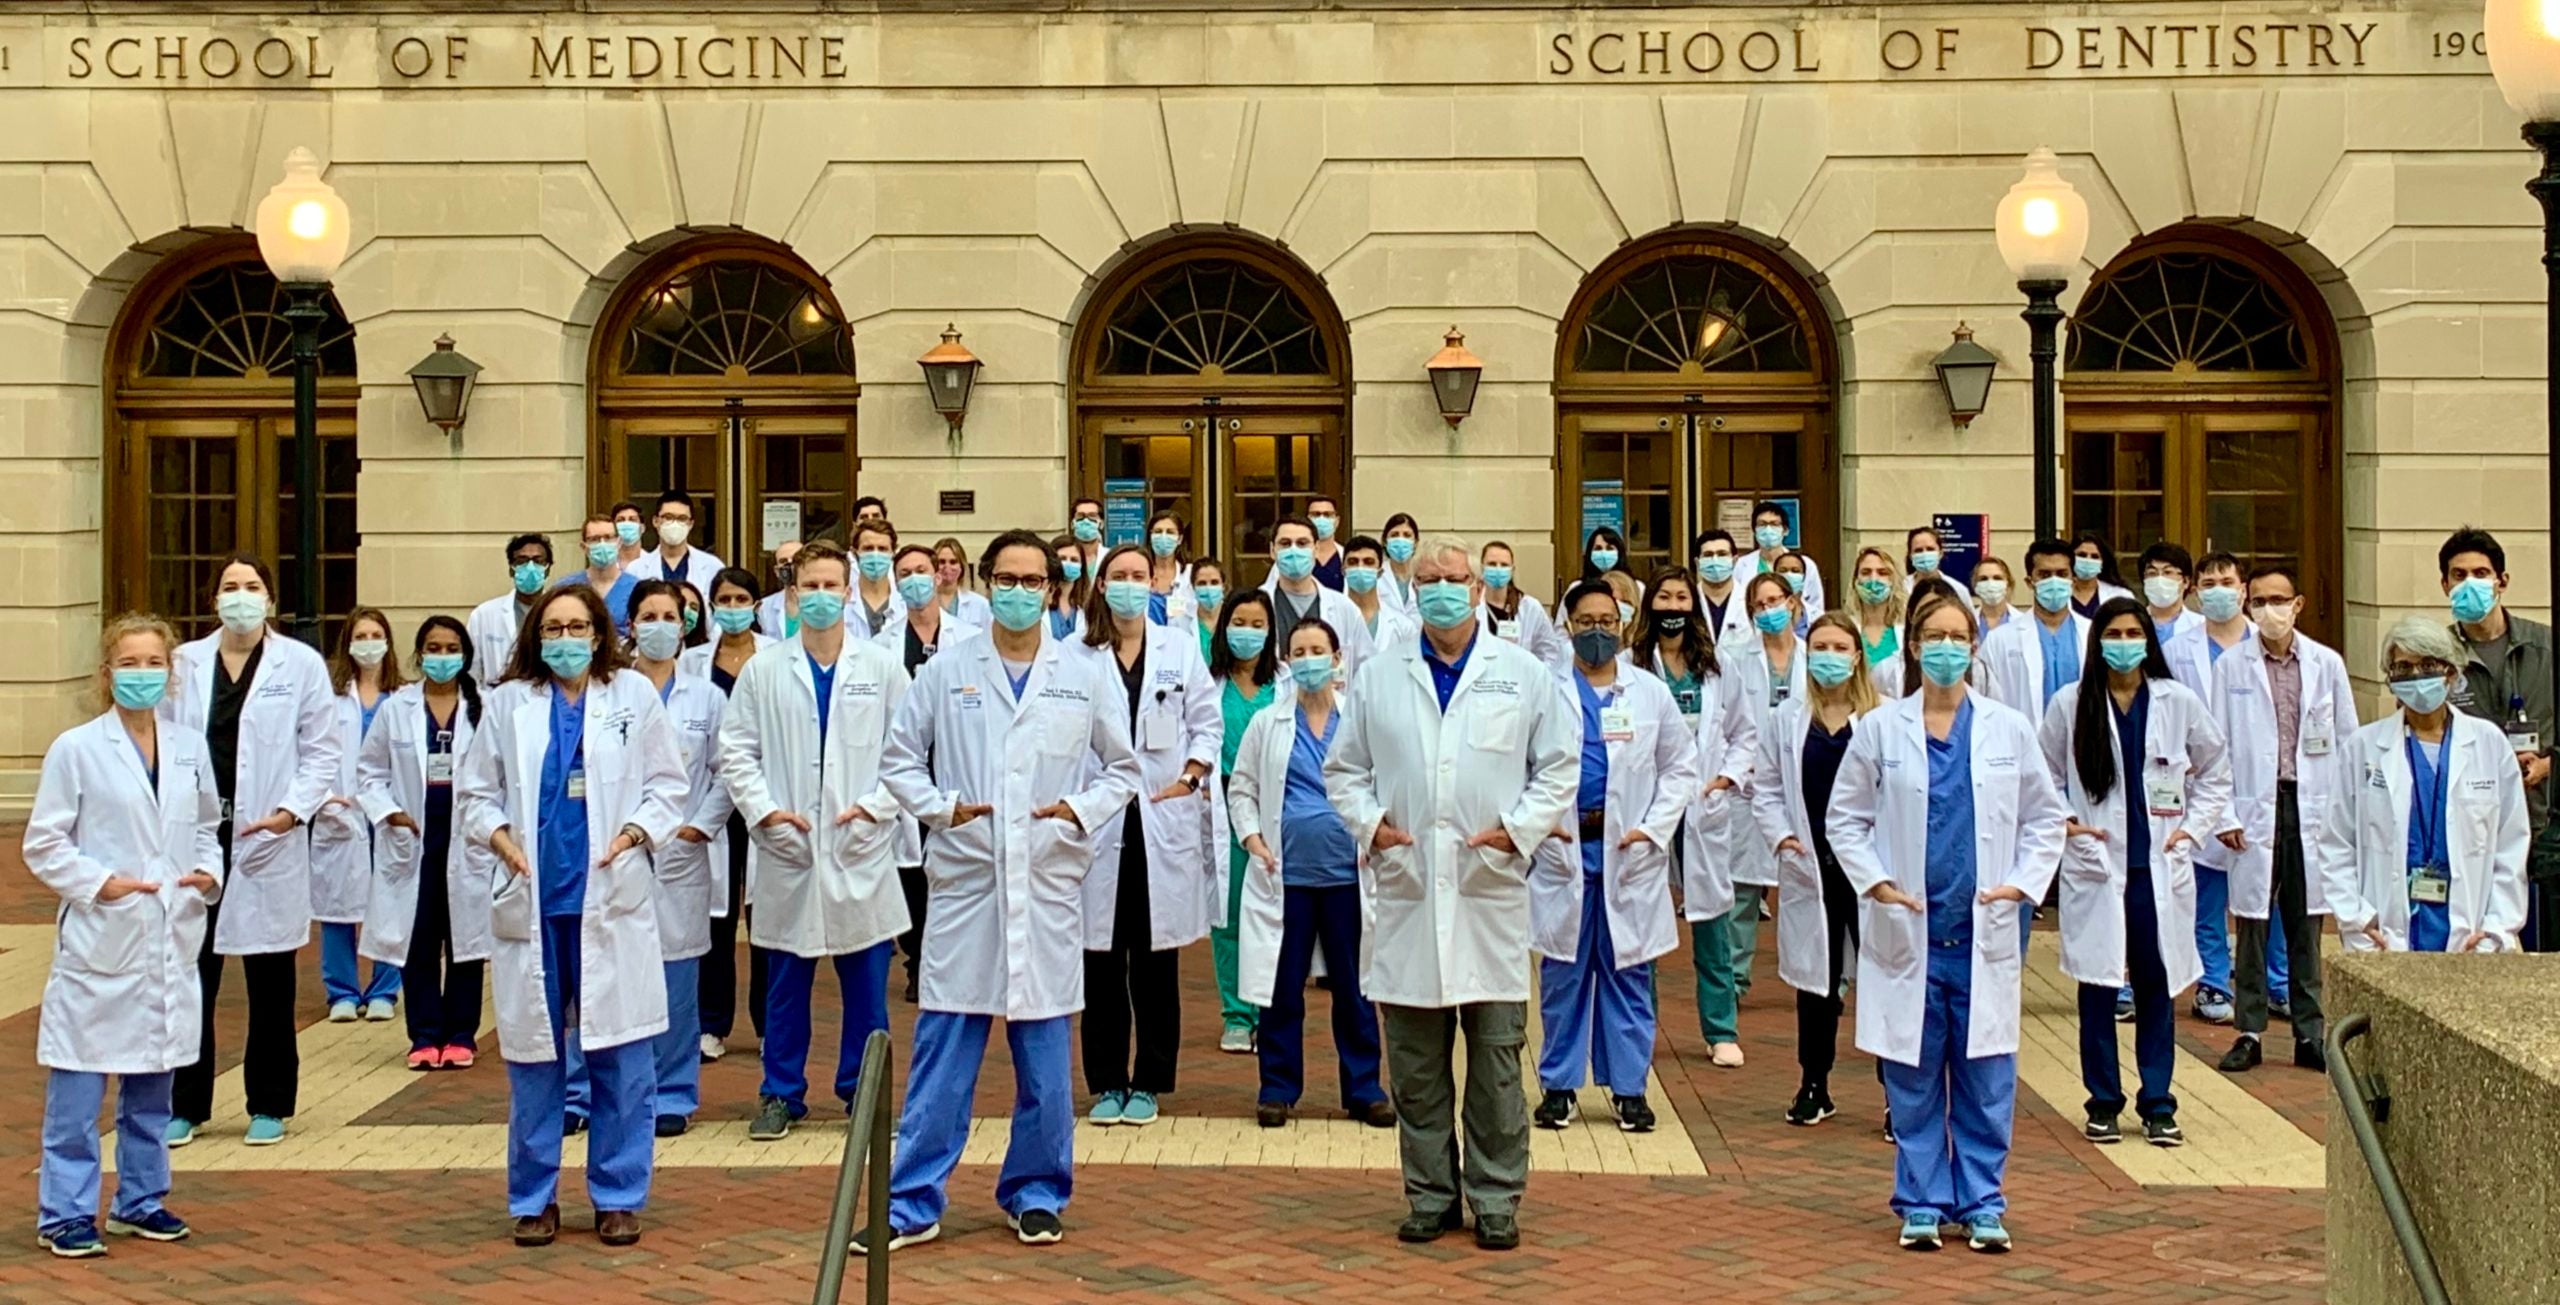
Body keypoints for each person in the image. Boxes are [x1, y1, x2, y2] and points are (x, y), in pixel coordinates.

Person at [870, 529, 1143, 1252]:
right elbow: (897, 759)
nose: (1020, 591)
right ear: (986, 582)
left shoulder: (1080, 675)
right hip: (966, 884)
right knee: (943, 1058)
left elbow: (1124, 769)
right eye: (1008, 578)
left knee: (1046, 1067)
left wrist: (1077, 811)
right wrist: (941, 807)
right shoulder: (946, 669)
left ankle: (1036, 1190)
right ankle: (911, 1199)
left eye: (1034, 580)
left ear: (1053, 588)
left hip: (1045, 883)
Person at [1326, 535, 1578, 1251]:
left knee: (1498, 1061)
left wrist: (1519, 828)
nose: (1441, 587)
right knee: (1415, 1064)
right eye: (1429, 577)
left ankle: (1496, 1195)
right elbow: (1344, 771)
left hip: (1488, 887)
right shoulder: (1379, 676)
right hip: (1407, 887)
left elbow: (1557, 767)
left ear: (1477, 589)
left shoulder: (1521, 672)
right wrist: (1372, 827)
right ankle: (1430, 1193)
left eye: (1454, 577)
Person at [1827, 590, 2068, 1254]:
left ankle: (1984, 1200)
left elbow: (2046, 818)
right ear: (1912, 645)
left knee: (1987, 1074)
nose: (1946, 646)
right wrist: (1875, 880)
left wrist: (2021, 883)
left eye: (1958, 635)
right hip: (1908, 931)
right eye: (1933, 634)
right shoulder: (1880, 728)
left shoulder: (2008, 727)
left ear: (1974, 646)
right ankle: (1923, 1199)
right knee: (1913, 1073)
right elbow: (1844, 817)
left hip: (1983, 926)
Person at [461, 582, 685, 1248]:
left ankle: (618, 1193)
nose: (564, 638)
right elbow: (477, 794)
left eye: (576, 626)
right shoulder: (508, 704)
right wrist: (502, 838)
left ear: (597, 634)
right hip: (534, 899)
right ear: (538, 637)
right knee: (535, 1053)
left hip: (610, 896)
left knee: (620, 1052)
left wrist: (635, 833)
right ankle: (534, 1197)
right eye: (552, 627)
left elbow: (667, 785)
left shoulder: (633, 695)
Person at [25, 613, 222, 1258]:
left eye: (154, 663)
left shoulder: (190, 746)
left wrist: (205, 875)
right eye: (129, 663)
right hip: (103, 936)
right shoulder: (77, 748)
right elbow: (45, 842)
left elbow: (205, 824)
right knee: (80, 1089)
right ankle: (65, 1211)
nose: (142, 674)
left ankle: (141, 1199)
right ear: (106, 674)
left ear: (172, 673)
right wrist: (99, 882)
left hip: (169, 930)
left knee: (152, 1084)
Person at [711, 541, 912, 1141]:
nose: (821, 597)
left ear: (848, 593)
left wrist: (876, 809)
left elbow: (906, 754)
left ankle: (863, 1094)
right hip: (789, 846)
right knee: (784, 985)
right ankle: (779, 1093)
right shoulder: (765, 670)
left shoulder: (880, 667)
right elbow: (736, 751)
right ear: (792, 595)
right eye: (810, 587)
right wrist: (766, 812)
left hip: (860, 845)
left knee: (868, 988)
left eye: (832, 586)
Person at [2039, 599, 2232, 1148]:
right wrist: (2067, 820)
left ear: (2149, 640)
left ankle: (2158, 1102)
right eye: (2113, 633)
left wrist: (2193, 830)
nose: (2124, 642)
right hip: (2098, 866)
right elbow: (2043, 773)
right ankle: (2102, 1101)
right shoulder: (2070, 704)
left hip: (2157, 868)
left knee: (2155, 984)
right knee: (2099, 986)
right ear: (2097, 641)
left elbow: (2216, 770)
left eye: (2134, 632)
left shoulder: (2177, 702)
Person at [163, 555, 338, 1150]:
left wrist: (291, 811)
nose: (241, 597)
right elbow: (162, 745)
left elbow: (321, 752)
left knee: (270, 981)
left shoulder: (302, 665)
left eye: (252, 587)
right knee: (191, 974)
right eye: (230, 587)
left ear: (270, 600)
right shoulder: (184, 665)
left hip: (267, 836)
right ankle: (184, 1104)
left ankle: (269, 1103)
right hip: (197, 838)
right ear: (215, 600)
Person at [1530, 582, 1699, 1133]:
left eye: (1607, 620)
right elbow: (1514, 762)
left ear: (1624, 625)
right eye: (1585, 621)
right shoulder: (1543, 689)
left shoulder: (1647, 692)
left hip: (1629, 851)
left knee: (1629, 975)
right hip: (1565, 848)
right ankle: (1559, 1086)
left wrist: (1653, 830)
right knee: (1563, 978)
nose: (1597, 631)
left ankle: (1629, 1089)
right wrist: (1537, 821)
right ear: (1568, 627)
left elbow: (1680, 766)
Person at [1227, 618, 1393, 1128]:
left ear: (1337, 658)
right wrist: (1252, 838)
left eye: (1317, 650)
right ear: (1287, 661)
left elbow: (1385, 785)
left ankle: (1364, 1089)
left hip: (1348, 875)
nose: (1308, 660)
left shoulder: (1360, 722)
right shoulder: (1268, 723)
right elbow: (1243, 788)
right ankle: (1277, 1088)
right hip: (1287, 876)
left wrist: (1376, 835)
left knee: (1355, 988)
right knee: (1281, 989)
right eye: (1298, 652)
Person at [1075, 544, 1221, 1126]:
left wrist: (1191, 775)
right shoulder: (1074, 656)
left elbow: (1205, 726)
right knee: (1102, 961)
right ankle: (1107, 1081)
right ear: (1102, 585)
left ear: (1154, 586)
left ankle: (1151, 1080)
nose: (1131, 585)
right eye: (1120, 577)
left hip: (1162, 814)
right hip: (1102, 821)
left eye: (1140, 576)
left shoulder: (1179, 650)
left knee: (1157, 964)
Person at [2207, 564, 2356, 1075]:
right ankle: (2248, 1030)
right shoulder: (2231, 666)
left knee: (2306, 923)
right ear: (2250, 604)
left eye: (2280, 599)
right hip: (2254, 806)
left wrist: (2344, 815)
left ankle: (2309, 1033)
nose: (2270, 610)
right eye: (2261, 600)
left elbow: (2347, 742)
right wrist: (2222, 811)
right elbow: (2215, 748)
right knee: (2251, 922)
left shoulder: (2326, 664)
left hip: (2310, 805)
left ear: (2299, 604)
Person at [2320, 616, 2532, 954]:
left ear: (2451, 673)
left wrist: (2496, 929)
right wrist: (2357, 920)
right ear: (2390, 679)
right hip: (2384, 934)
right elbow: (2336, 843)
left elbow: (2511, 846)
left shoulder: (2488, 743)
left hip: (2472, 936)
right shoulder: (2363, 747)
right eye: (2403, 667)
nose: (2416, 677)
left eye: (2428, 665)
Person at [1751, 614, 1876, 1127]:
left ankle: (1897, 1095)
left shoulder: (1882, 720)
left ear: (1856, 656)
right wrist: (1782, 836)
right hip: (1812, 865)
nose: (1829, 656)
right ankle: (1814, 1084)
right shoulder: (1787, 721)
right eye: (1820, 646)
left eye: (1839, 646)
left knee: (1884, 979)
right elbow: (1767, 789)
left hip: (1869, 870)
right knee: (1816, 985)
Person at [355, 615, 490, 1072]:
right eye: (434, 648)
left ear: (465, 655)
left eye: (452, 648)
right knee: (418, 941)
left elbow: (501, 776)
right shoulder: (397, 708)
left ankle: (461, 1034)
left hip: (468, 841)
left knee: (466, 943)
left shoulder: (483, 708)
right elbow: (369, 771)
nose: (442, 657)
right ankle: (424, 1034)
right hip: (415, 838)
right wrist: (387, 811)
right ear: (419, 654)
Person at [625, 581, 731, 1137]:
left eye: (670, 615)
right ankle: (591, 1092)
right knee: (608, 974)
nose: (660, 625)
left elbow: (726, 771)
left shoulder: (707, 697)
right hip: (619, 852)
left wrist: (699, 826)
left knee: (677, 979)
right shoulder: (610, 691)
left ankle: (671, 1094)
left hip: (682, 853)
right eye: (648, 615)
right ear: (631, 625)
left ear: (686, 625)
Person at [1703, 572, 1807, 1063]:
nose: (1769, 609)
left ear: (1792, 602)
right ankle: (1738, 979)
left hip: (1807, 782)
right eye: (1759, 603)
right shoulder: (1736, 659)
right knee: (1742, 890)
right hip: (1751, 783)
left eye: (1775, 600)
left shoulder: (1816, 655)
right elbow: (1731, 723)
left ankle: (1833, 976)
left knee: (1812, 884)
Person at [2439, 526, 2557, 951]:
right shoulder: (2437, 656)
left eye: (2481, 573)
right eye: (2458, 575)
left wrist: (2547, 765)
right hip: (2469, 825)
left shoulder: (2546, 646)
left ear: (2502, 581)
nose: (2470, 583)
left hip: (2543, 823)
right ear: (2445, 585)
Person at [879, 544, 984, 1003]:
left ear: (938, 576)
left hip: (957, 762)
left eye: (922, 570)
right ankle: (918, 959)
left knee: (956, 865)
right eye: (906, 572)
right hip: (908, 769)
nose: (916, 579)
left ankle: (959, 960)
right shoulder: (883, 643)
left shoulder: (969, 637)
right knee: (912, 871)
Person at [2161, 551, 2253, 1022]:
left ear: (2244, 589)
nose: (2218, 589)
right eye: (2208, 582)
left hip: (2258, 782)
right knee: (2207, 892)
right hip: (2199, 781)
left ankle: (2271, 981)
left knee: (2267, 891)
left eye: (2227, 581)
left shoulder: (2265, 645)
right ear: (2195, 589)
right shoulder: (2178, 650)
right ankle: (2214, 981)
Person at [687, 566, 773, 1060]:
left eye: (742, 598)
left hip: (761, 796)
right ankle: (712, 1022)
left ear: (757, 605)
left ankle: (766, 1026)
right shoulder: (694, 661)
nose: (733, 606)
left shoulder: (776, 657)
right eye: (725, 598)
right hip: (710, 800)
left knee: (763, 916)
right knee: (714, 916)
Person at [316, 610, 404, 1023]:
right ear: (347, 643)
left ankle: (386, 987)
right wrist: (325, 799)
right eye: (361, 635)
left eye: (376, 635)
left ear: (387, 642)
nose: (369, 643)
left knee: (390, 900)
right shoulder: (330, 698)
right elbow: (313, 752)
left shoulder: (402, 697)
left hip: (388, 811)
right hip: (341, 811)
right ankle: (342, 992)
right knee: (337, 907)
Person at [1207, 589, 1278, 1053]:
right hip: (1224, 808)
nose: (1247, 633)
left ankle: (1270, 1011)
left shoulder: (1286, 684)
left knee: (1275, 919)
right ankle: (1236, 1015)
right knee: (1229, 918)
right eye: (1239, 622)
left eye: (1257, 625)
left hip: (1275, 808)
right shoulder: (1208, 683)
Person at [1980, 539, 2090, 718]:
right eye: (2044, 575)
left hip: (2082, 739)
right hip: (2022, 741)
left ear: (2073, 580)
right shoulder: (1999, 640)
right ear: (2030, 582)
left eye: (2062, 574)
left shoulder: (2092, 633)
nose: (2054, 581)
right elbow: (1985, 699)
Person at [1264, 516, 1375, 672]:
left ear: (1316, 549)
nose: (1294, 550)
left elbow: (1366, 669)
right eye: (1285, 544)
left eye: (1302, 543)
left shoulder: (1344, 608)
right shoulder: (1258, 603)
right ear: (1272, 551)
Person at [470, 533, 555, 691]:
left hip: (544, 698)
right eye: (522, 561)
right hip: (497, 702)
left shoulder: (558, 611)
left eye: (538, 561)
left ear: (548, 569)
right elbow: (472, 671)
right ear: (511, 569)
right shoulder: (484, 614)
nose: (530, 567)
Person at [1631, 568, 1712, 724]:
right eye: (1664, 597)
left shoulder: (1716, 660)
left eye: (1682, 598)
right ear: (1650, 603)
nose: (1673, 607)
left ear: (1694, 605)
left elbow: (1741, 730)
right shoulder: (1629, 661)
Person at [1475, 539, 1568, 673]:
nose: (1498, 569)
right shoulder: (1472, 605)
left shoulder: (1530, 607)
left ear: (1512, 570)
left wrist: (1534, 678)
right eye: (1492, 564)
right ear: (1482, 567)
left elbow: (1550, 652)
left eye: (1504, 565)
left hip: (1520, 682)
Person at [1733, 501, 1827, 623]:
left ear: (1785, 530)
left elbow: (1816, 605)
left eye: (1774, 524)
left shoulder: (1806, 565)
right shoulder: (1741, 565)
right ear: (1754, 531)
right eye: (1762, 524)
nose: (1768, 530)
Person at [626, 490, 726, 595]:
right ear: (655, 521)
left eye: (682, 518)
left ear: (691, 524)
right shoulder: (636, 569)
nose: (675, 523)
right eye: (668, 517)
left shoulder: (712, 566)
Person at [1341, 535, 1415, 648]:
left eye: (1368, 562)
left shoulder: (1403, 626)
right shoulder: (1329, 619)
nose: (1360, 568)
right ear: (1343, 570)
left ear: (1380, 572)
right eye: (1353, 562)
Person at [576, 514, 640, 636]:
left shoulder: (636, 588)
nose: (602, 544)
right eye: (594, 539)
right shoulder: (568, 587)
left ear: (619, 542)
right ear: (584, 547)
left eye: (608, 538)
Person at [845, 517, 906, 641]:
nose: (875, 555)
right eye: (868, 548)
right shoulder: (843, 601)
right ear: (854, 553)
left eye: (883, 549)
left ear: (893, 553)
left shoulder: (905, 602)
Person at [1690, 530, 1753, 646]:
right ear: (1697, 563)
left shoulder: (1751, 600)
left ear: (1734, 561)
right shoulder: (1688, 600)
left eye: (1722, 554)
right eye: (1708, 555)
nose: (1715, 560)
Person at [1849, 547, 1906, 667]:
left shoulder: (1907, 629)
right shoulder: (1846, 628)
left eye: (1882, 573)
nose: (1873, 579)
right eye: (1866, 572)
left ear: (1893, 580)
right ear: (1856, 580)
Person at [1144, 511, 1199, 628]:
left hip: (1179, 642)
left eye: (1170, 532)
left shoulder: (1191, 574)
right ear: (1150, 537)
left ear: (1179, 539)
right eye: (1158, 532)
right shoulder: (1140, 573)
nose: (1163, 537)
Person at [2137, 542, 2198, 646]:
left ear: (2186, 581)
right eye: (2152, 573)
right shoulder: (2133, 623)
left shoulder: (2199, 625)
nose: (2159, 579)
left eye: (2168, 572)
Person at [2068, 530, 2134, 620]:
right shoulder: (2057, 593)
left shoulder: (2121, 595)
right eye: (2082, 555)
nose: (2088, 560)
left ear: (2103, 562)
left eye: (2095, 557)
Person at [932, 536, 994, 630]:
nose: (947, 566)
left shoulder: (980, 604)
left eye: (953, 562)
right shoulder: (923, 601)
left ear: (961, 567)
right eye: (941, 562)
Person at [756, 539, 803, 640]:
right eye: (783, 561)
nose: (789, 565)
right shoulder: (764, 607)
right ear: (776, 571)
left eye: (796, 560)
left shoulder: (821, 600)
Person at [1379, 512, 1423, 615]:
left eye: (1407, 535)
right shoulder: (1376, 576)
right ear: (1385, 541)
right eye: (1394, 535)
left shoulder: (1425, 575)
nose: (1400, 539)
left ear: (1416, 542)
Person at [1049, 532, 1089, 641]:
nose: (1068, 563)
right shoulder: (1040, 600)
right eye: (1062, 558)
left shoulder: (1089, 603)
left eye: (1074, 560)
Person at [1188, 559, 1228, 665]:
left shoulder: (1233, 617)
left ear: (1223, 585)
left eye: (1214, 582)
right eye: (1202, 583)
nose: (1208, 588)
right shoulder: (1181, 622)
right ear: (1193, 587)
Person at [1305, 494, 1348, 590]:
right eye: (1316, 514)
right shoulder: (1295, 556)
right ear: (1307, 520)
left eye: (1327, 515)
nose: (1321, 519)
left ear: (1337, 521)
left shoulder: (1346, 557)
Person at [1970, 557, 2017, 640]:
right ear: (1975, 586)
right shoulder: (1967, 621)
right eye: (1983, 579)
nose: (1990, 583)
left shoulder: (2022, 621)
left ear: (2008, 584)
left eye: (1997, 578)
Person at [1578, 526, 1637, 590]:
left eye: (1609, 548)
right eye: (1598, 548)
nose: (1604, 553)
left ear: (1619, 552)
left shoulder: (1637, 587)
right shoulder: (1577, 586)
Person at [1067, 496, 1107, 585]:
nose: (1086, 521)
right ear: (1072, 524)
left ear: (1101, 524)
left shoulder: (1109, 557)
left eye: (1092, 516)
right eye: (1080, 516)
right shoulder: (1063, 557)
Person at [1904, 526, 1951, 594]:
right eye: (1918, 550)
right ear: (1910, 556)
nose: (1925, 554)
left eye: (1930, 549)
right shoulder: (1900, 588)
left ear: (1940, 553)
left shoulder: (1956, 589)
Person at [608, 501, 648, 570]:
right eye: (620, 520)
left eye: (632, 520)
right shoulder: (606, 564)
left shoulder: (652, 563)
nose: (626, 524)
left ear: (642, 528)